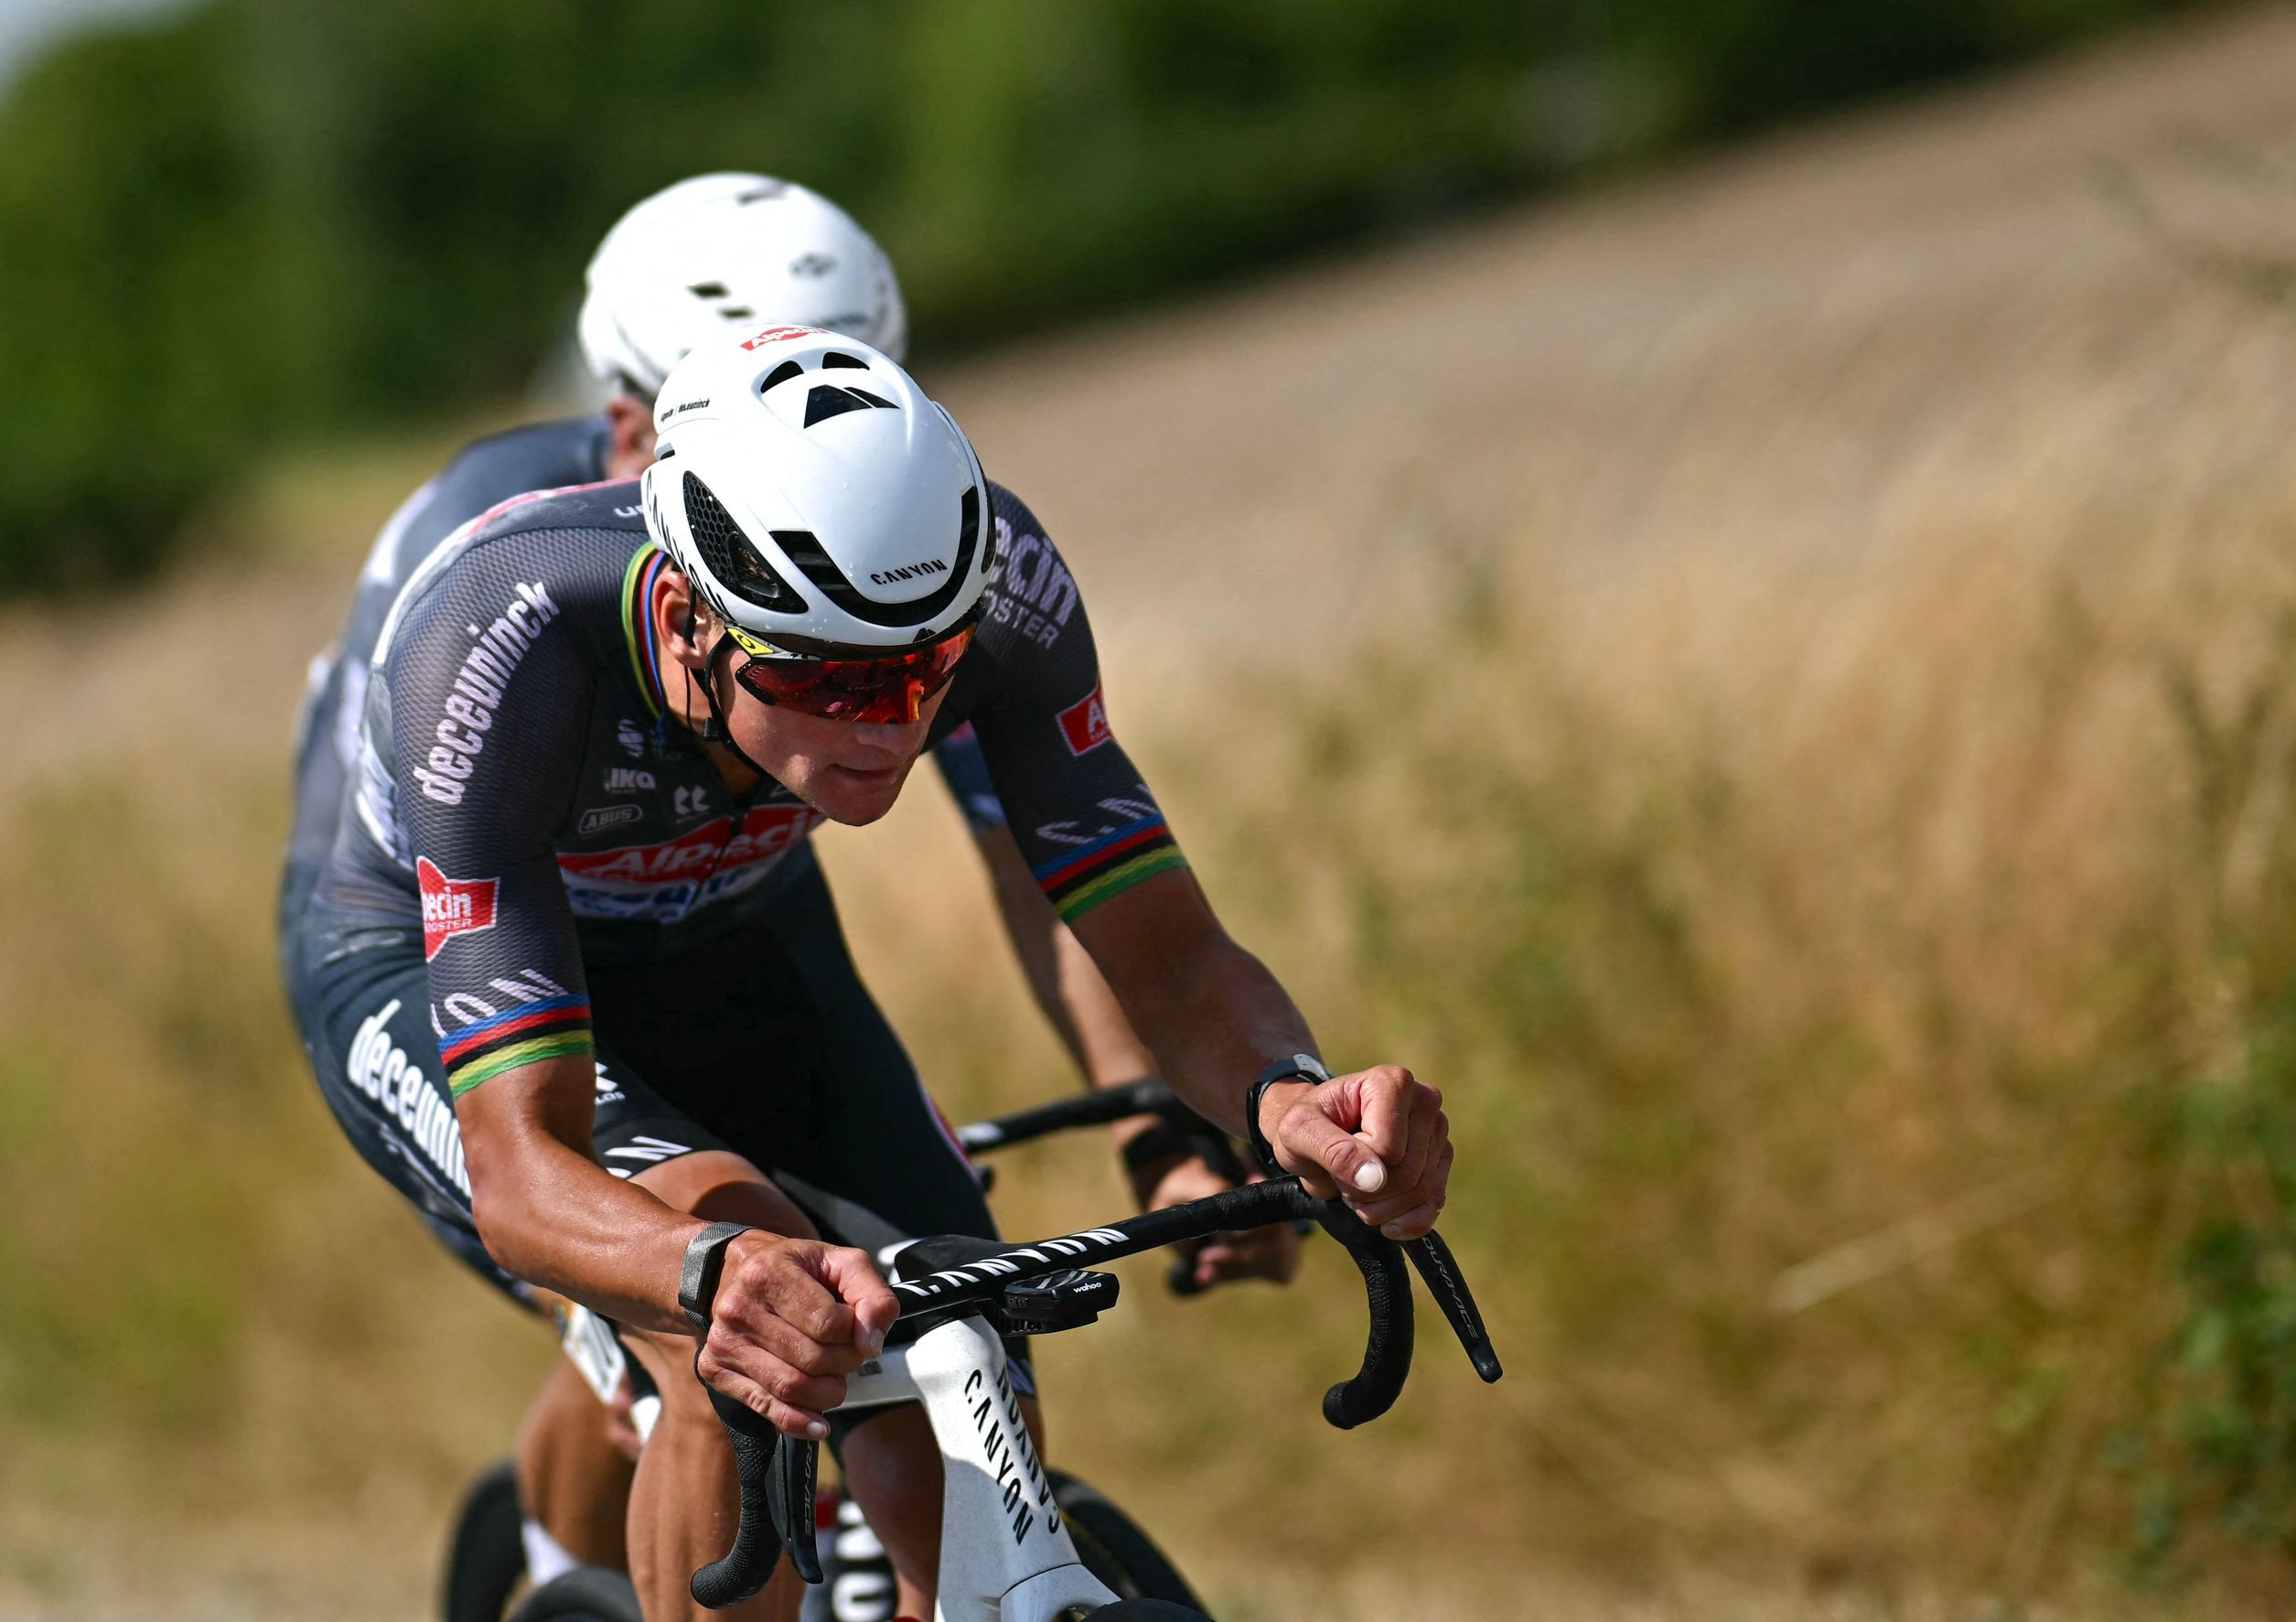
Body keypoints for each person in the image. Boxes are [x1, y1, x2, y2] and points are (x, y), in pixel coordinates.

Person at [287, 323, 1452, 1621]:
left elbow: (1164, 948)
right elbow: (519, 1170)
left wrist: (1287, 1100)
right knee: (751, 1347)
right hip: (427, 956)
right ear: (686, 615)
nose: (885, 727)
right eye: (827, 676)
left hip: (730, 930)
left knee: (963, 1338)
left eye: (924, 674)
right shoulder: (502, 639)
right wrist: (702, 1276)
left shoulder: (1002, 584)